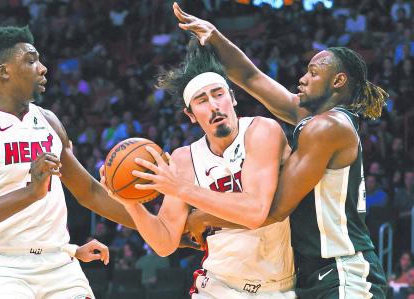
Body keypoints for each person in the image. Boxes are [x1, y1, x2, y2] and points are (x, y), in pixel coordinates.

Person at [172, 2, 388, 298]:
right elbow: (251, 78)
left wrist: (204, 217)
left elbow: (272, 209)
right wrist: (214, 36)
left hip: (343, 270)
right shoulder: (312, 119)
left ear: (338, 81)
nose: (302, 79)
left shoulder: (327, 128)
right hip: (312, 273)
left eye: (313, 73)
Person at [0, 25, 137, 298]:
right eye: (31, 61)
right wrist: (30, 193)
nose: (43, 68)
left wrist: (159, 227)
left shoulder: (49, 121)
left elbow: (89, 192)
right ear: (3, 71)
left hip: (58, 264)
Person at [102, 39, 295, 298]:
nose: (214, 105)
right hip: (217, 285)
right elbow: (164, 243)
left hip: (277, 286)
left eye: (219, 94)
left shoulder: (262, 131)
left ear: (232, 98)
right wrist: (129, 202)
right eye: (202, 100)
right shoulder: (183, 159)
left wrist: (182, 189)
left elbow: (255, 211)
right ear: (190, 114)